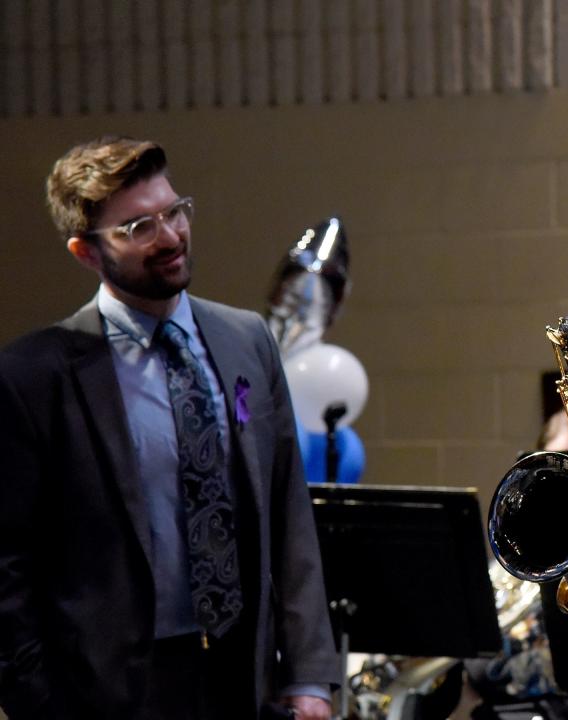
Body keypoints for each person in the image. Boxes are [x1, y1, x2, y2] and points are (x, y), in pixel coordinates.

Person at [0, 137, 340, 719]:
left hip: (241, 678)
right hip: (109, 690)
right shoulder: (35, 375)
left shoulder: (246, 339)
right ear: (85, 252)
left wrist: (309, 673)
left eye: (174, 211)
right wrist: (38, 703)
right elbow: (7, 563)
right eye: (138, 228)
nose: (170, 237)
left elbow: (289, 514)